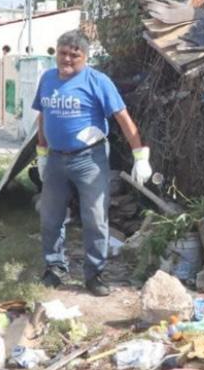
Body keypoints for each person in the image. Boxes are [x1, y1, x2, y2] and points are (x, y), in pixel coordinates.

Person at [33, 30, 152, 297]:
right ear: (57, 52)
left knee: (96, 219)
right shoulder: (47, 79)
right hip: (55, 159)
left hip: (90, 160)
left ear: (85, 57)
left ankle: (94, 274)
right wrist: (41, 152)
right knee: (50, 217)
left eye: (74, 55)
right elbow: (42, 115)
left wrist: (140, 156)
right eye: (63, 53)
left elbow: (123, 117)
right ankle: (55, 268)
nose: (67, 60)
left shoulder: (98, 81)